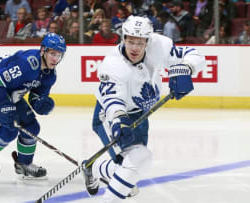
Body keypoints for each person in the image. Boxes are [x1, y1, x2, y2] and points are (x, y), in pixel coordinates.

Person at [81, 15, 205, 203]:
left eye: (140, 43)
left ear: (148, 41)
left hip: (140, 114)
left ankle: (93, 167)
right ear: (123, 38)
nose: (135, 48)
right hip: (109, 115)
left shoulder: (160, 46)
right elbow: (113, 101)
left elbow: (195, 55)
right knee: (137, 162)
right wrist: (118, 121)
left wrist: (186, 68)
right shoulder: (112, 65)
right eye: (130, 41)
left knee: (133, 166)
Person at [0, 33, 66, 178]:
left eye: (59, 55)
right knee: (8, 130)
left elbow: (36, 95)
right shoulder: (27, 64)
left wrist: (41, 103)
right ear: (43, 51)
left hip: (9, 90)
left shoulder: (50, 75)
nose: (55, 59)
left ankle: (24, 164)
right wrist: (5, 106)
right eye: (52, 53)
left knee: (32, 128)